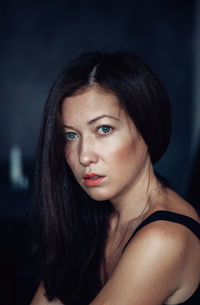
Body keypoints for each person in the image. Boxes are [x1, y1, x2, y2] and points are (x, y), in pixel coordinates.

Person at [30, 51, 200, 305]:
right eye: (70, 135)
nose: (84, 156)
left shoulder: (164, 238)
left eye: (104, 129)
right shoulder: (92, 217)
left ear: (147, 127)